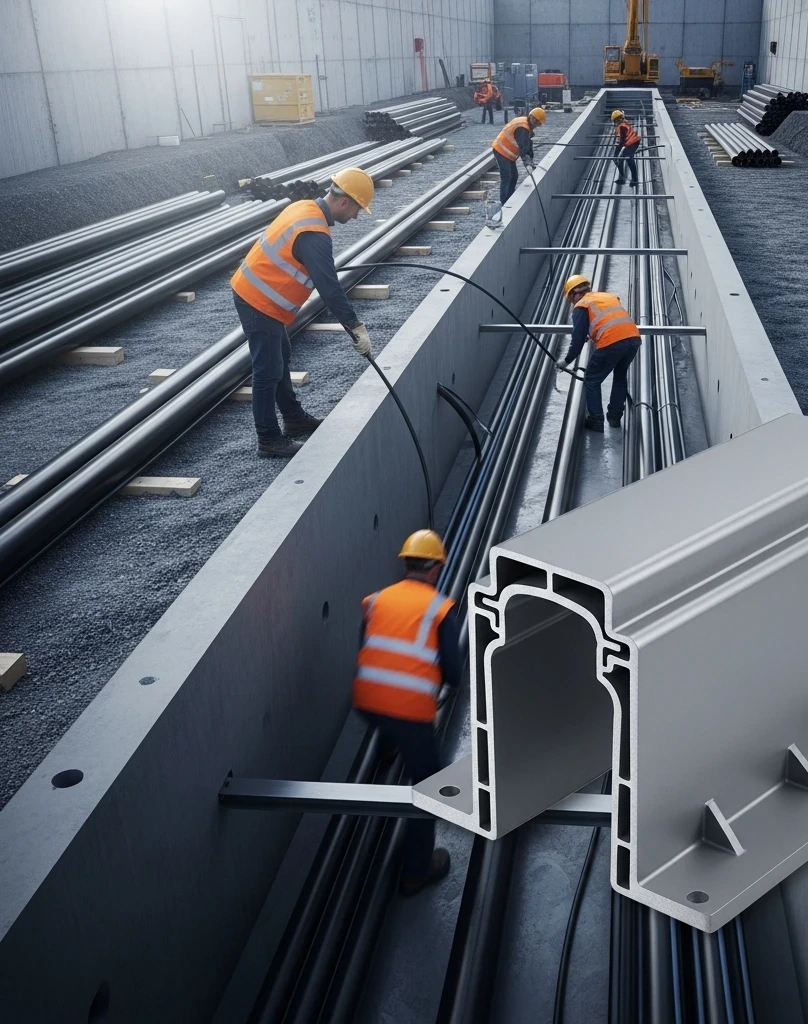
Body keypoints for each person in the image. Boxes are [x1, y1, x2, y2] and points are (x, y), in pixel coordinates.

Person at [231, 168, 375, 458]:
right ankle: (269, 439)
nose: (357, 216)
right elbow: (330, 289)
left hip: (257, 293)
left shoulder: (305, 207)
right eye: (358, 209)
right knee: (267, 369)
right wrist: (354, 327)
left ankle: (294, 419)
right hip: (258, 299)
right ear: (344, 202)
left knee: (279, 357)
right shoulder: (315, 234)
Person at [352, 529, 460, 897]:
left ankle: (386, 748)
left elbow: (369, 648)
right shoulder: (440, 608)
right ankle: (416, 870)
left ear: (406, 564)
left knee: (389, 716)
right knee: (428, 784)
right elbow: (455, 673)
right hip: (410, 714)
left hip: (366, 701)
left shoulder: (377, 599)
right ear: (435, 569)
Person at [557, 274, 642, 432]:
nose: (572, 302)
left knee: (591, 380)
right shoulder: (606, 296)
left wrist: (566, 361)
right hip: (633, 338)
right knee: (620, 377)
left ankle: (596, 420)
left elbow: (577, 340)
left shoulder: (581, 305)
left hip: (612, 342)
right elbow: (609, 320)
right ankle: (615, 418)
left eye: (570, 298)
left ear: (575, 294)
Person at [492, 106, 547, 205]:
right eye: (537, 123)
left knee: (514, 176)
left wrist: (531, 158)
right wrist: (527, 162)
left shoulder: (526, 126)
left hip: (508, 154)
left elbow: (528, 144)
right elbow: (523, 147)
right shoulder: (522, 128)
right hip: (501, 150)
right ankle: (504, 202)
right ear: (533, 119)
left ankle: (510, 196)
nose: (536, 126)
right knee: (507, 176)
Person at [610, 109, 641, 188]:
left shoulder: (620, 126)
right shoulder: (625, 123)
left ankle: (632, 179)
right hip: (634, 141)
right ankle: (624, 177)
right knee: (624, 159)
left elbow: (620, 139)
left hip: (630, 143)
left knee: (626, 159)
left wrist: (618, 148)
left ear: (616, 120)